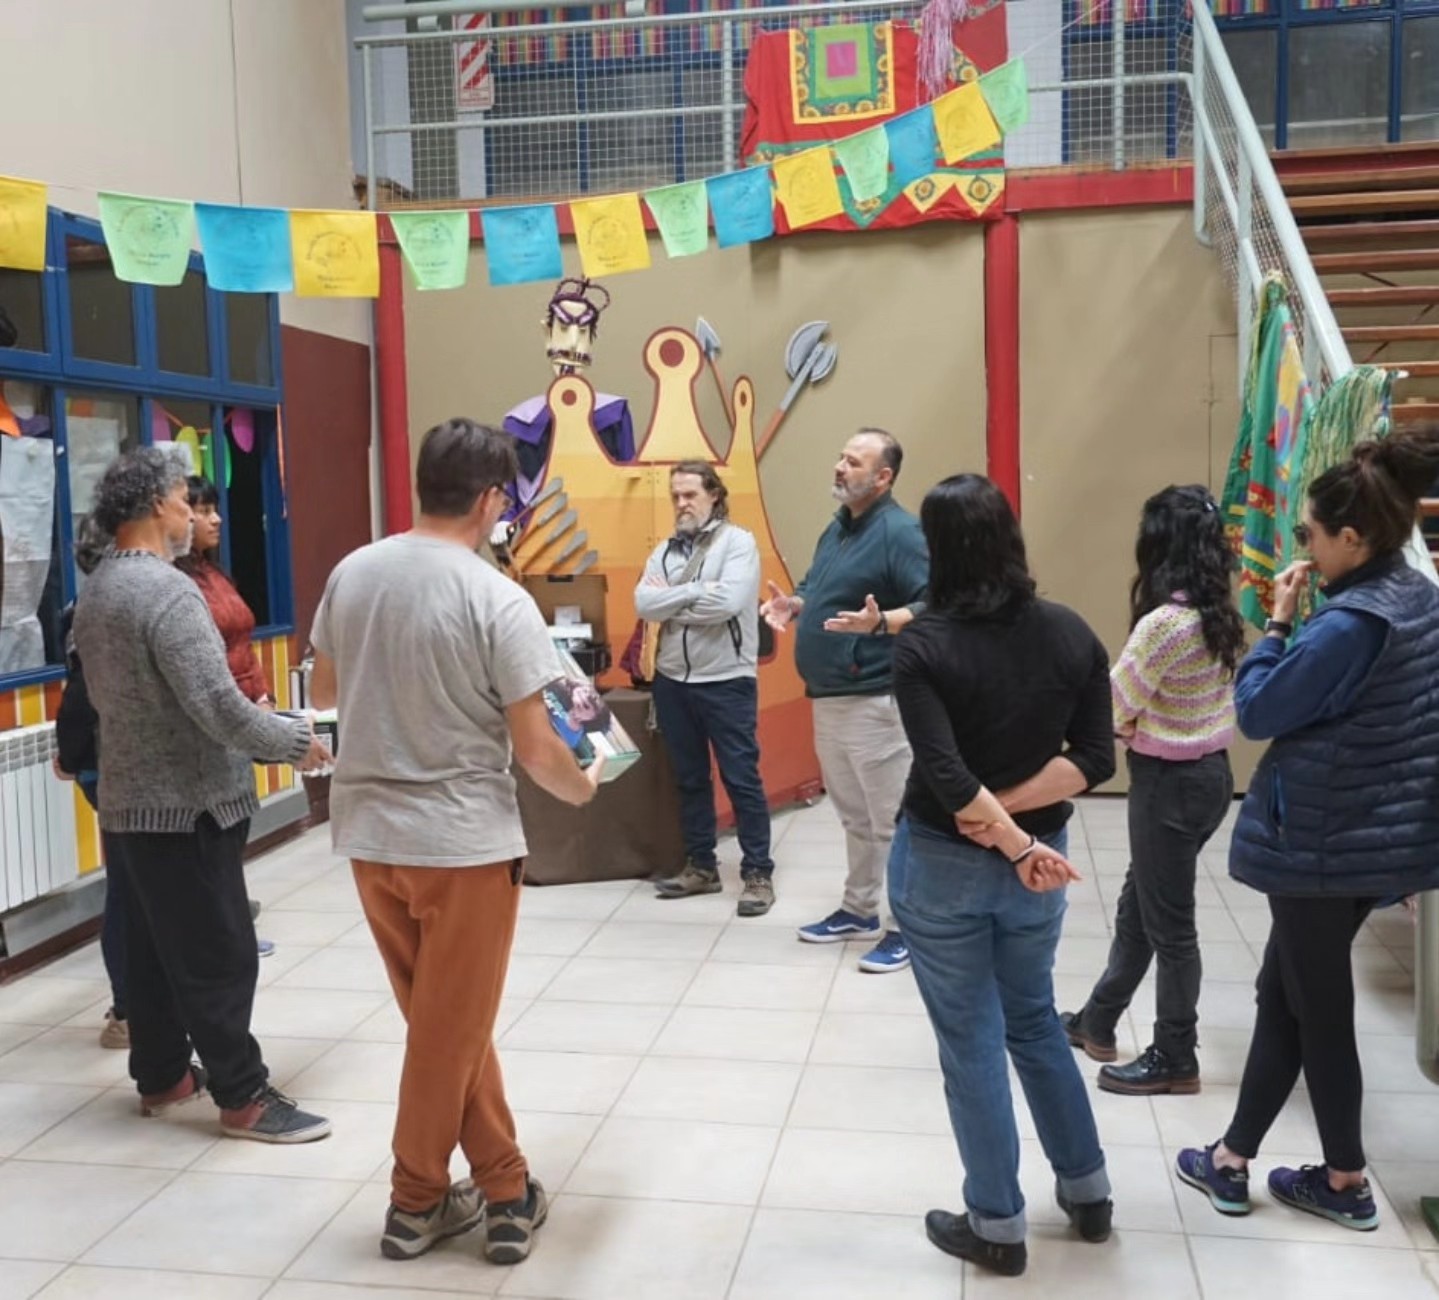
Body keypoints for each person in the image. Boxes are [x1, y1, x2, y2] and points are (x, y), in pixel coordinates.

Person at [308, 418, 603, 1266]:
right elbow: (538, 749)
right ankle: (414, 1201)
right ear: (491, 500)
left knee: (446, 1025)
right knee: (449, 1030)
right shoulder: (495, 597)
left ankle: (506, 1188)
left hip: (370, 837)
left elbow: (323, 691)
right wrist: (583, 787)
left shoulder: (353, 572)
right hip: (462, 844)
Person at [1176, 426, 1439, 1232]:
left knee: (1315, 1010)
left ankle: (1344, 1180)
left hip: (1321, 844)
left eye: (1311, 535)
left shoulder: (1347, 624)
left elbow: (1257, 711)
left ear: (1352, 538)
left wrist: (1279, 623)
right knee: (1282, 995)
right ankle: (1231, 1159)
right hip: (1374, 836)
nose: (1305, 548)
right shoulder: (1417, 597)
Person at [887, 473, 1117, 1278]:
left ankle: (996, 1224)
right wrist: (1022, 840)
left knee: (972, 1042)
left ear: (935, 550)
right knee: (1033, 1023)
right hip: (1038, 870)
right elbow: (1093, 759)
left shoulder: (923, 646)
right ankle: (1087, 1192)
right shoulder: (1069, 632)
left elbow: (949, 780)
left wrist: (1001, 832)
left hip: (949, 866)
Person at [73, 448, 333, 1143]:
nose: (192, 512)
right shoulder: (166, 592)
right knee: (220, 954)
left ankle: (162, 1077)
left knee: (152, 952)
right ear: (158, 504)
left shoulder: (98, 587)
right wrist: (293, 741)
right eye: (184, 498)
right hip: (190, 805)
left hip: (130, 804)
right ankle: (244, 1097)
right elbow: (216, 705)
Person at [1062, 485, 1240, 1095]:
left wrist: (1113, 722)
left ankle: (1175, 1055)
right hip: (1209, 777)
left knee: (1170, 927)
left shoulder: (1164, 623)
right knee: (1141, 906)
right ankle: (1098, 1019)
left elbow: (1111, 708)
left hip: (1168, 786)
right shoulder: (1216, 610)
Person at [761, 428, 928, 971]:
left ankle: (908, 927)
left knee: (892, 821)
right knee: (855, 817)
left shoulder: (900, 532)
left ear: (883, 477)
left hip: (877, 700)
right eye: (840, 457)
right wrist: (795, 604)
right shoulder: (837, 527)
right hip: (831, 697)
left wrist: (883, 623)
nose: (839, 467)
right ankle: (859, 910)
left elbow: (936, 603)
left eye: (854, 462)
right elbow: (816, 586)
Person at [634, 461, 774, 917]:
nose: (681, 503)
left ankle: (758, 873)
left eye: (690, 494)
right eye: (675, 496)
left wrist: (672, 600)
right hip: (673, 680)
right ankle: (701, 867)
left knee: (741, 778)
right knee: (690, 778)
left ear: (714, 495)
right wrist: (696, 591)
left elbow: (729, 603)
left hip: (727, 680)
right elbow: (644, 604)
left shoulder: (739, 543)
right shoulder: (664, 551)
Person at [176, 474, 277, 959]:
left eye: (215, 508)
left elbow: (243, 644)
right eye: (202, 510)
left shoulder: (214, 573)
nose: (215, 519)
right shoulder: (175, 583)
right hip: (213, 723)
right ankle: (221, 938)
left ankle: (228, 926)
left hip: (244, 716)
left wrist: (263, 696)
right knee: (214, 834)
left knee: (237, 826)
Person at [53, 516, 124, 1047]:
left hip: (109, 762)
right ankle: (128, 1009)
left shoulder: (86, 607)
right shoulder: (96, 611)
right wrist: (74, 756)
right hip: (110, 763)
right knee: (129, 891)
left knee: (130, 887)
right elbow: (81, 695)